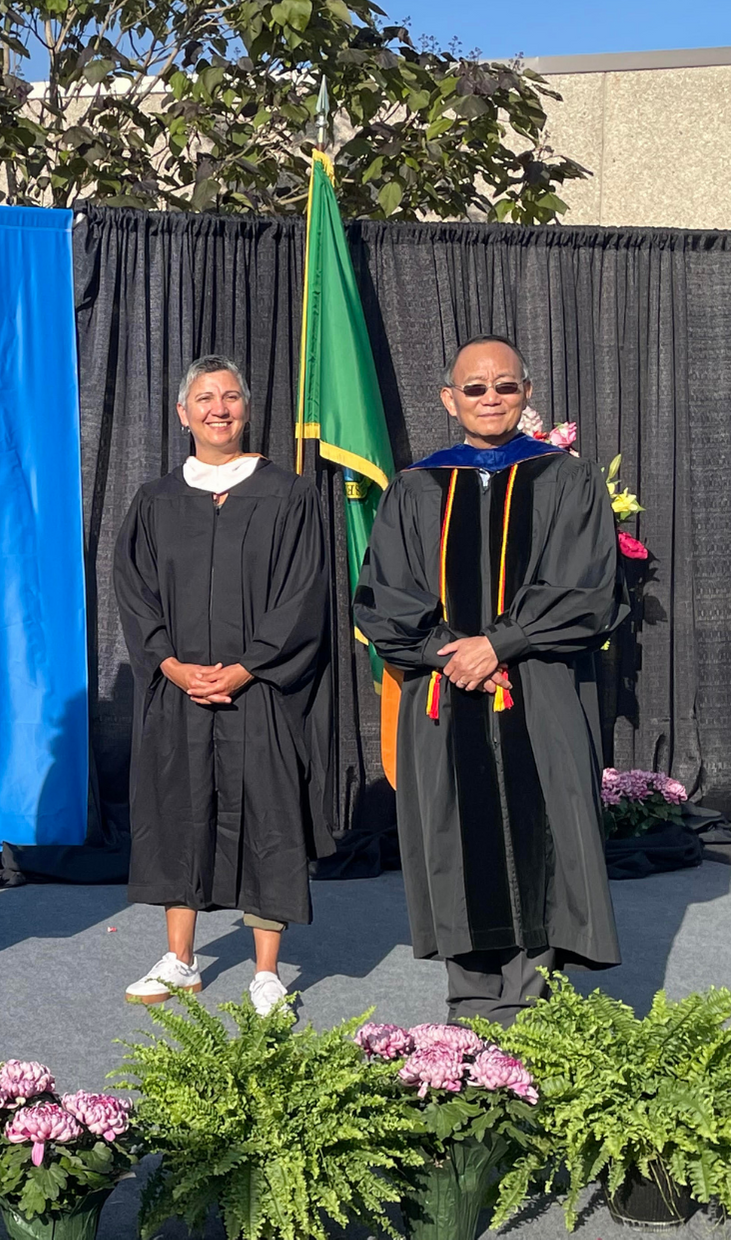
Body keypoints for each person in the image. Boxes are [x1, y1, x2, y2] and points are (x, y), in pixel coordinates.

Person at [355, 334, 626, 1025]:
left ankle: (529, 1011)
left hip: (538, 692)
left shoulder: (567, 480)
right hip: (445, 698)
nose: (489, 399)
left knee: (546, 834)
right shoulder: (415, 487)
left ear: (526, 394)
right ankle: (468, 1012)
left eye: (504, 386)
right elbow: (384, 597)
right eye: (473, 388)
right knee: (452, 833)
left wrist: (500, 642)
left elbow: (587, 592)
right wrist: (454, 651)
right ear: (449, 399)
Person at [113, 355, 334, 1016]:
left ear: (246, 408)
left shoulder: (288, 494)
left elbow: (303, 596)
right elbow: (135, 594)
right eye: (203, 398)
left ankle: (265, 971)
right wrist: (171, 665)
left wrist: (247, 666)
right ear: (183, 414)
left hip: (259, 689)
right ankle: (180, 960)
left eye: (230, 396)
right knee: (177, 809)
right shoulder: (155, 501)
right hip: (177, 688)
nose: (218, 408)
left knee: (268, 815)